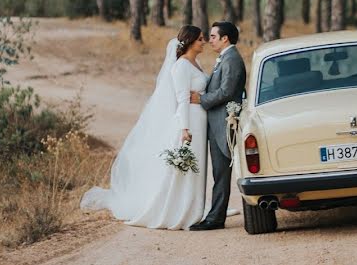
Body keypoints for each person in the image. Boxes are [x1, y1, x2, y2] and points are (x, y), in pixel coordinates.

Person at [80, 26, 210, 230]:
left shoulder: (196, 63)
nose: (204, 42)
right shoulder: (181, 67)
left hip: (200, 121)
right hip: (189, 122)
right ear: (191, 41)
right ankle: (178, 210)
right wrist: (185, 128)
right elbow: (182, 99)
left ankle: (195, 207)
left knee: (198, 166)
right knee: (185, 167)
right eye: (201, 39)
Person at [188, 21, 247, 231]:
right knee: (218, 173)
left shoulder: (232, 59)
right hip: (216, 124)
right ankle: (215, 215)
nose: (209, 40)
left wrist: (201, 100)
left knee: (222, 173)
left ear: (225, 38)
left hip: (224, 125)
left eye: (213, 36)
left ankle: (215, 218)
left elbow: (227, 92)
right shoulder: (225, 57)